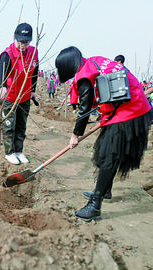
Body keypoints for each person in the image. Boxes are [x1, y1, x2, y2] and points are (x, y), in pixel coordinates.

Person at [55, 46, 152, 222]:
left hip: (130, 111)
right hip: (129, 107)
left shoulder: (84, 74)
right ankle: (105, 190)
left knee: (109, 154)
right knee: (109, 152)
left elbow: (84, 111)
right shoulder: (93, 61)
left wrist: (75, 135)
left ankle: (95, 205)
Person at [0, 22, 39, 165]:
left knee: (21, 125)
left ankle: (18, 151)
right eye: (21, 42)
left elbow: (34, 71)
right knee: (9, 125)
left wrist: (33, 90)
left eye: (26, 42)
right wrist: (2, 86)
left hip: (25, 95)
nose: (23, 45)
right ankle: (9, 152)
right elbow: (1, 71)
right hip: (11, 96)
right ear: (14, 38)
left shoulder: (33, 52)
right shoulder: (8, 54)